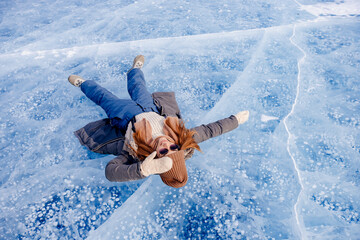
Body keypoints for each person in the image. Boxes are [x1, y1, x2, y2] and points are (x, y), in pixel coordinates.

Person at [69, 55, 249, 188]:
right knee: (138, 87)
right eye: (173, 148)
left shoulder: (136, 153)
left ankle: (83, 84)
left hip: (125, 116)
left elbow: (111, 171)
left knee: (104, 97)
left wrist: (142, 170)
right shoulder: (182, 138)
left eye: (163, 151)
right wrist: (235, 121)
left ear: (154, 158)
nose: (166, 144)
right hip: (151, 108)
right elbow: (210, 130)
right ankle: (135, 69)